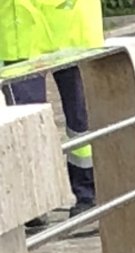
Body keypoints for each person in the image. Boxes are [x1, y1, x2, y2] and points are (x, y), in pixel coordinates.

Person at [1, 0, 103, 232]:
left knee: (82, 119)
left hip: (70, 28)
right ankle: (32, 203)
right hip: (18, 32)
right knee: (22, 126)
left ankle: (89, 193)